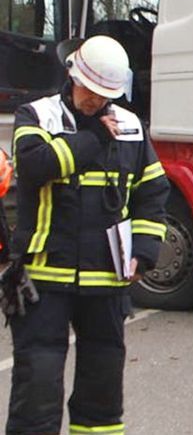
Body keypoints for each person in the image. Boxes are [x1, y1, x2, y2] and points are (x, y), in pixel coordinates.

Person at [7, 35, 168, 435]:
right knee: (37, 389)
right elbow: (34, 165)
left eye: (105, 95)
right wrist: (94, 137)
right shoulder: (35, 116)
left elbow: (153, 191)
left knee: (102, 396)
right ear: (72, 75)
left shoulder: (130, 127)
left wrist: (145, 250)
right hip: (44, 278)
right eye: (91, 92)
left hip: (106, 280)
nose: (97, 101)